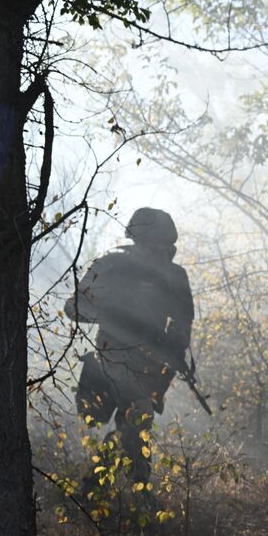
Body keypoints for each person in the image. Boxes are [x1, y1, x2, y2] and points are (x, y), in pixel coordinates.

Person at [68, 207, 194, 489]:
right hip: (112, 357)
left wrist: (174, 346)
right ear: (138, 240)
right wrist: (112, 315)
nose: (159, 250)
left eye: (164, 244)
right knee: (139, 418)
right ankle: (139, 489)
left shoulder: (174, 275)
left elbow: (183, 320)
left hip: (151, 364)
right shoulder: (111, 265)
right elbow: (74, 307)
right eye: (153, 243)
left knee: (131, 426)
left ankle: (95, 487)